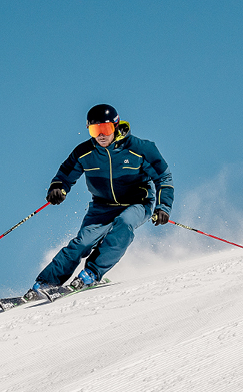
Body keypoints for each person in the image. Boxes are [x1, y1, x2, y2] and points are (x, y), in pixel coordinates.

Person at [26, 104, 174, 299]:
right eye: (95, 130)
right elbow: (66, 173)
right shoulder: (84, 152)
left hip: (137, 202)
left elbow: (163, 177)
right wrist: (58, 188)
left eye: (105, 129)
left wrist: (163, 207)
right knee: (81, 243)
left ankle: (92, 273)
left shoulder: (140, 149)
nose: (101, 136)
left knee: (124, 223)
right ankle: (46, 283)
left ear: (116, 126)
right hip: (102, 206)